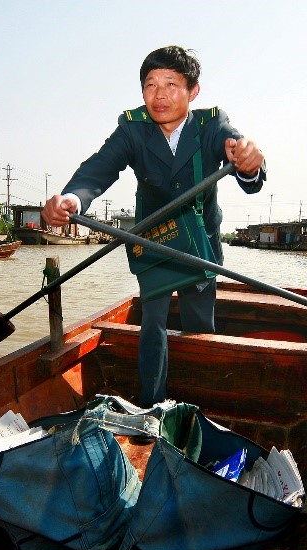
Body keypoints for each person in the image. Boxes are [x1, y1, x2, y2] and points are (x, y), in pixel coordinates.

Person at [43, 46, 265, 407]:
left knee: (198, 324)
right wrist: (73, 199)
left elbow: (241, 153)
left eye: (171, 84)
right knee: (153, 324)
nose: (159, 94)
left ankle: (196, 402)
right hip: (156, 240)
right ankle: (152, 406)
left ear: (193, 91)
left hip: (200, 243)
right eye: (150, 85)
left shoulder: (212, 125)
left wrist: (249, 162)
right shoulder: (133, 128)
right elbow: (99, 168)